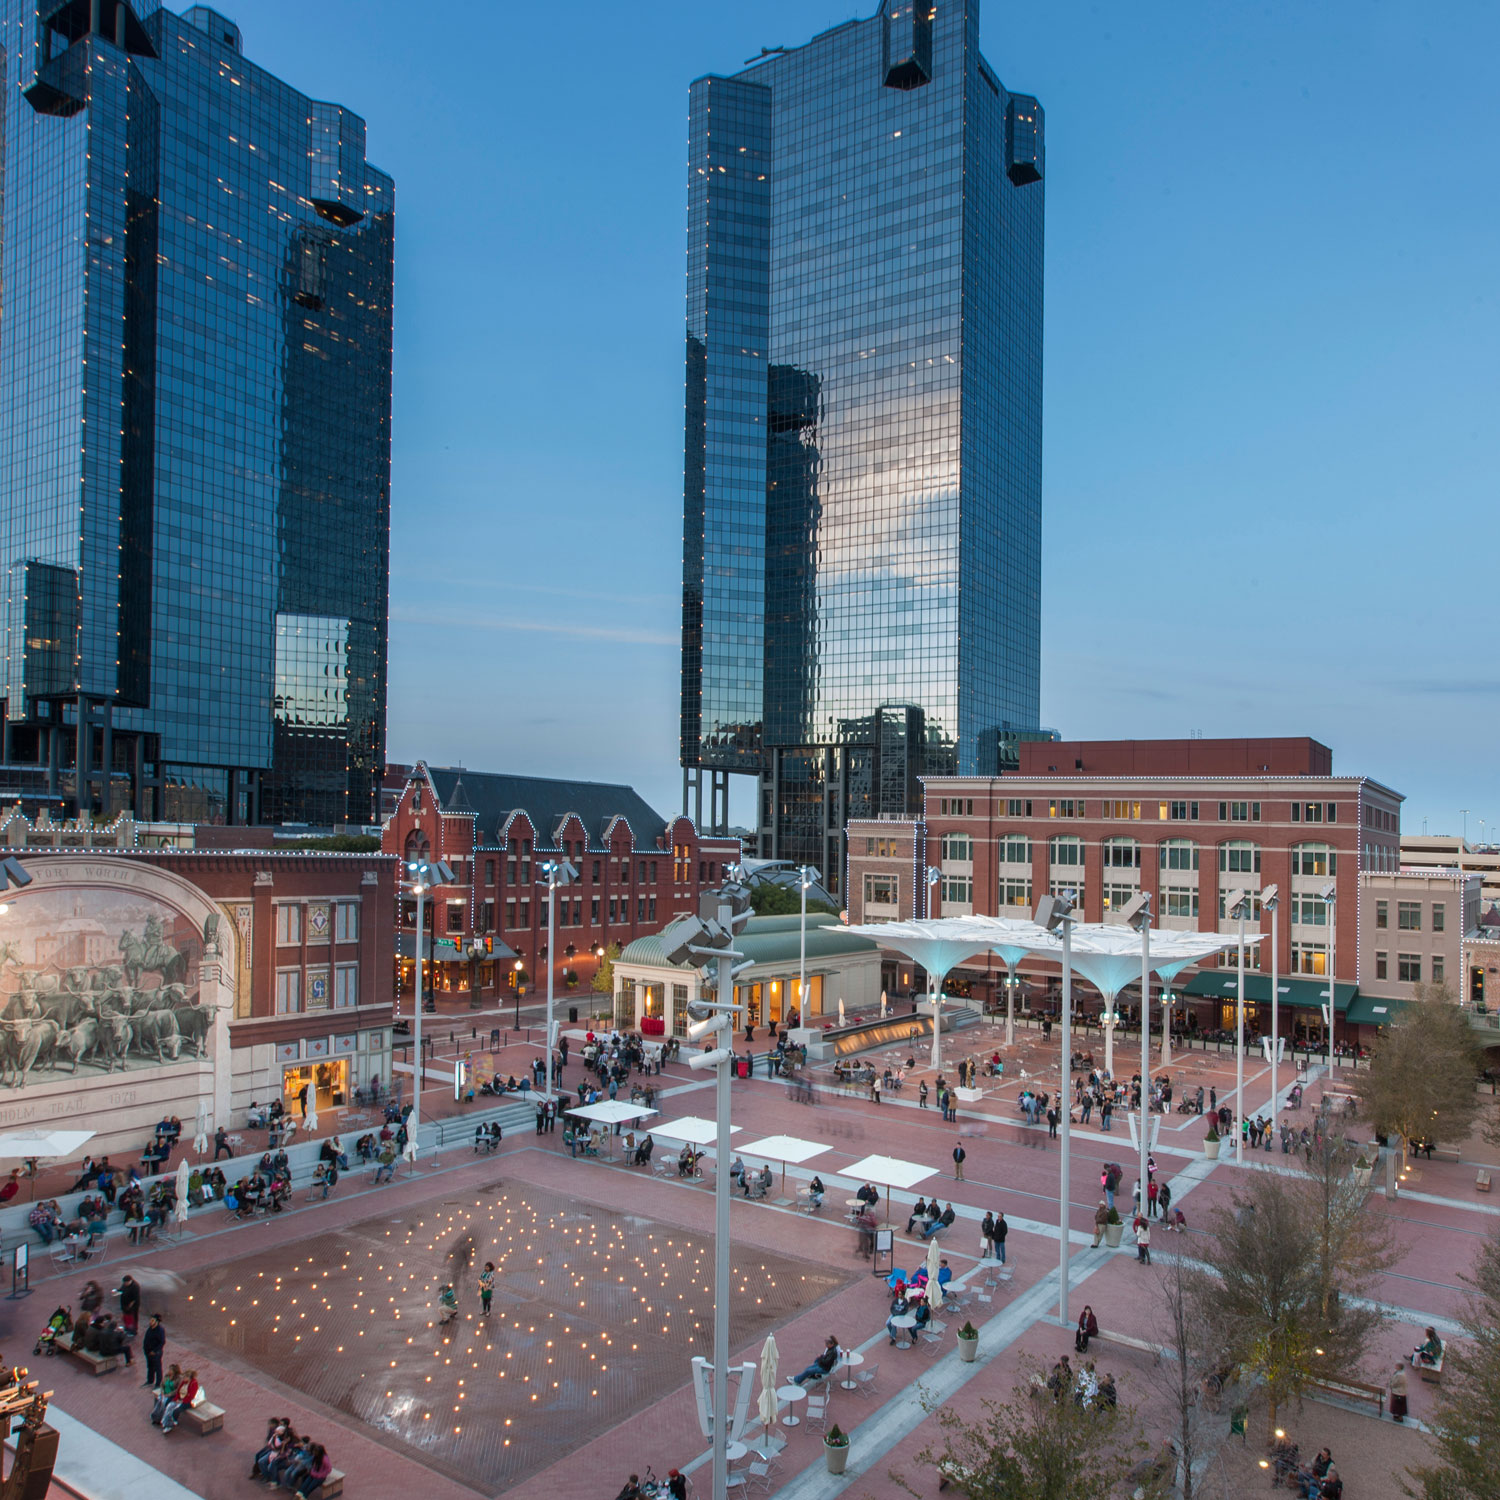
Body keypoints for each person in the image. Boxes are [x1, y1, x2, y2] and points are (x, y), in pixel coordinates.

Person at [159, 1369, 198, 1433]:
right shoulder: (184, 1382)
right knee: (169, 1405)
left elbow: (191, 1396)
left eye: (184, 1377)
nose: (183, 1379)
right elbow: (178, 1392)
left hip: (187, 1402)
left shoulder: (194, 1384)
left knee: (175, 1409)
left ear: (189, 1378)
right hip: (180, 1399)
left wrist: (181, 1401)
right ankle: (165, 1422)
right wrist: (176, 1399)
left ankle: (170, 1424)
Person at [142, 1314, 166, 1388]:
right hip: (148, 1352)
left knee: (157, 1368)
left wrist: (155, 1351)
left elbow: (162, 1342)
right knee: (150, 1367)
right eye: (150, 1320)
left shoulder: (160, 1330)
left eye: (152, 1320)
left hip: (156, 1353)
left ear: (157, 1322)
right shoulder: (150, 1329)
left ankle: (158, 1384)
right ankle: (150, 1380)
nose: (150, 1322)